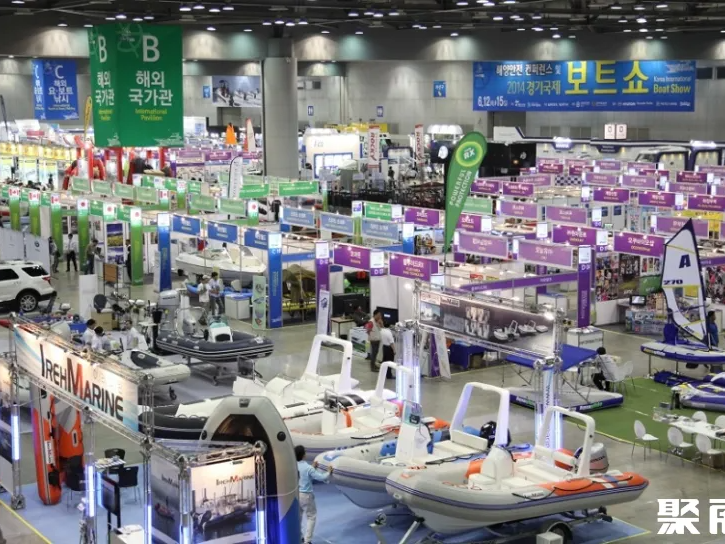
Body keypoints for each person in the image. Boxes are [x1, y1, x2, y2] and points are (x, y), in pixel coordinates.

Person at [295, 444, 331, 544]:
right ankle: (307, 541)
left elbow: (303, 473)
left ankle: (299, 537)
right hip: (307, 496)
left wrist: (312, 467)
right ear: (304, 455)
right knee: (311, 517)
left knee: (298, 517)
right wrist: (328, 472)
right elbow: (321, 477)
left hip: (297, 495)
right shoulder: (308, 468)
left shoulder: (294, 466)